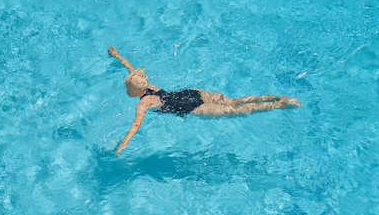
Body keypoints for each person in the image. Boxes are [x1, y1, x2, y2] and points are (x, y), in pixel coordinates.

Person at [108, 46, 300, 157]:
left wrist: (123, 145)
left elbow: (136, 125)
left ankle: (278, 105)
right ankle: (270, 97)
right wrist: (117, 56)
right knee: (234, 102)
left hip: (194, 107)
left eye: (128, 89)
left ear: (140, 90)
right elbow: (131, 69)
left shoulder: (143, 103)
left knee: (235, 112)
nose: (126, 91)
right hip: (194, 93)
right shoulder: (149, 85)